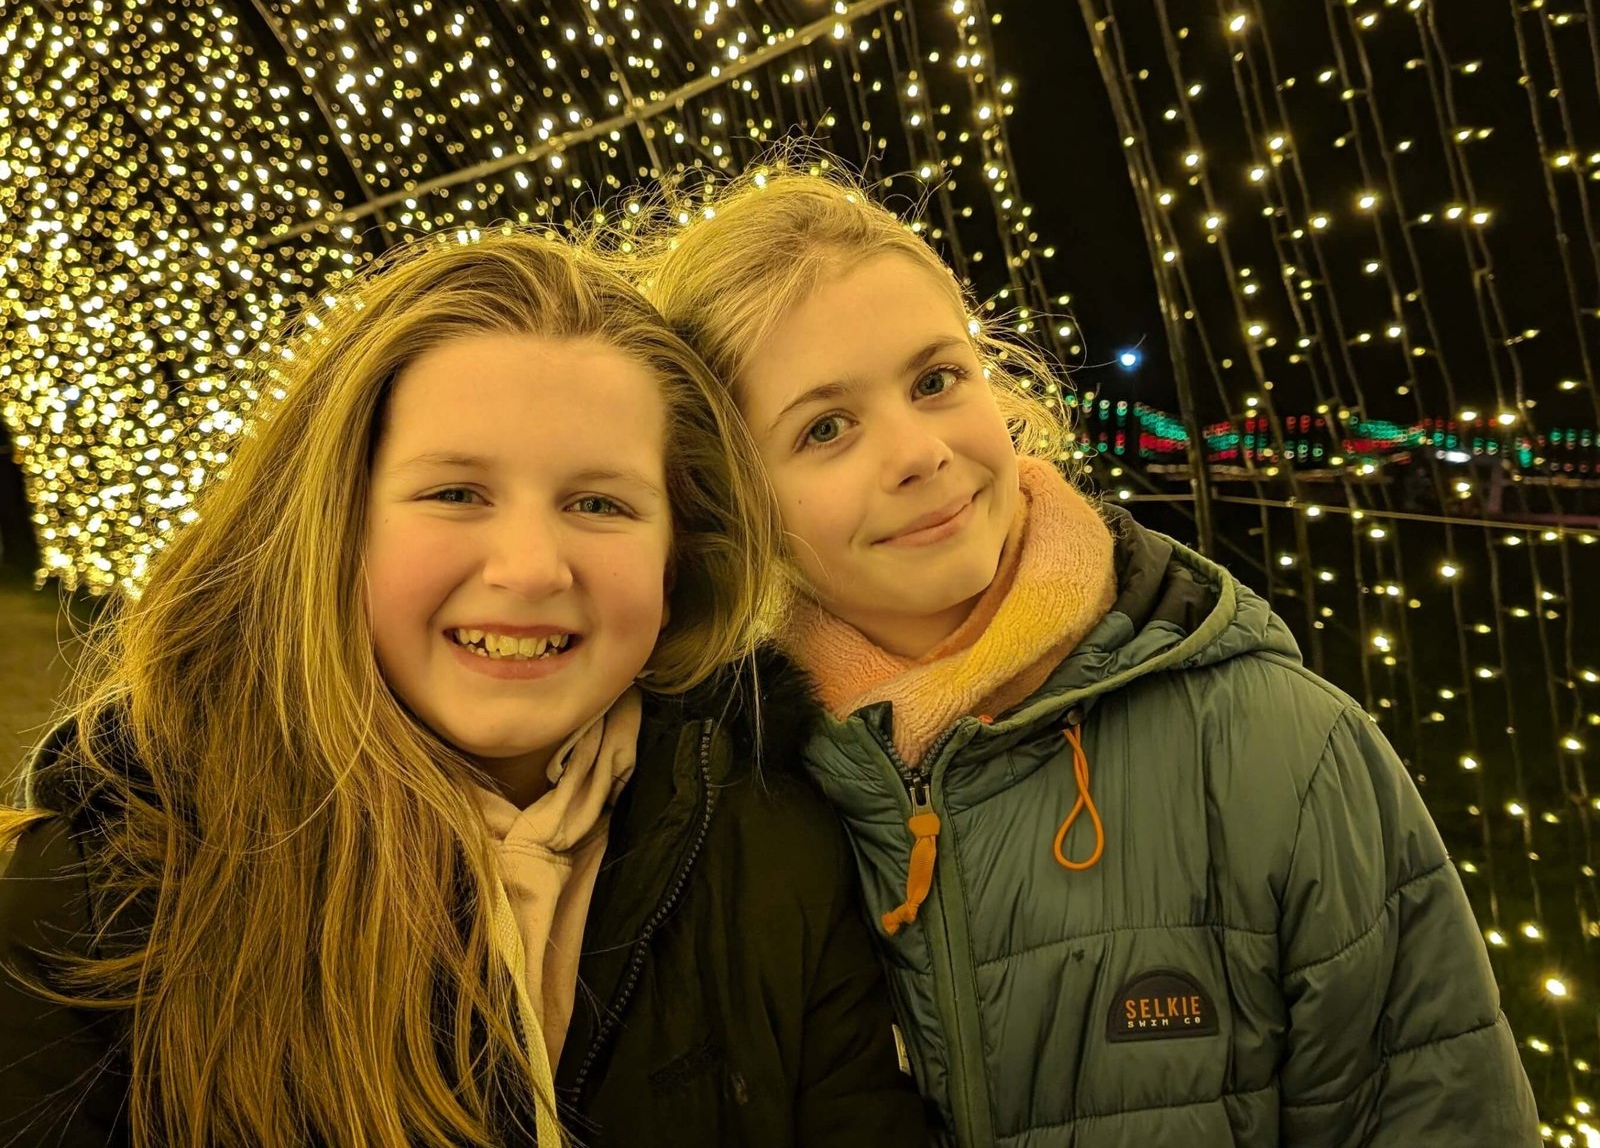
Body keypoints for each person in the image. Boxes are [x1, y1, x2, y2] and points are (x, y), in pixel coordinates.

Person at [621, 159, 1542, 1146]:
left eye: (936, 380)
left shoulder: (1281, 755)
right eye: (826, 427)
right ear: (729, 498)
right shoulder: (713, 798)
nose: (919, 453)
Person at [0, 228, 927, 1148]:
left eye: (599, 504)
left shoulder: (771, 850)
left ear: (676, 561)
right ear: (338, 526)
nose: (529, 569)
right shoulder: (100, 898)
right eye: (456, 494)